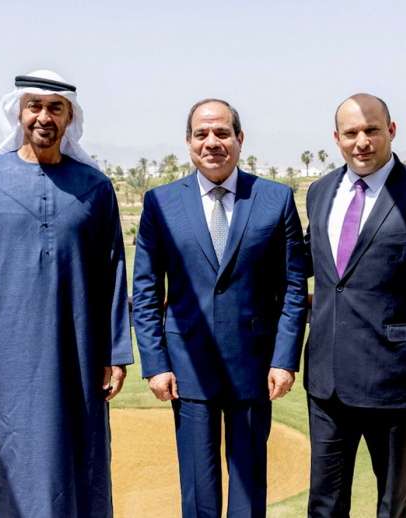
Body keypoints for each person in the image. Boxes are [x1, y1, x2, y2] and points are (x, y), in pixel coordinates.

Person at [0, 69, 133, 517]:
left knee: (77, 458)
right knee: (2, 458)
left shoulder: (96, 187)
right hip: (0, 357)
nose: (44, 117)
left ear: (69, 118)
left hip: (77, 355)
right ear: (19, 113)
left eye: (55, 108)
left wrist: (116, 352)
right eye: (35, 107)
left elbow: (113, 273)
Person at [132, 98, 308, 518]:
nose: (212, 142)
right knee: (198, 492)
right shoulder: (160, 203)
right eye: (202, 134)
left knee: (249, 489)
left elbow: (293, 288)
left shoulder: (275, 199)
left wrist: (284, 360)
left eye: (222, 133)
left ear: (239, 139)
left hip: (254, 367)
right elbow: (146, 290)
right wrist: (155, 364)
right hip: (187, 369)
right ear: (189, 142)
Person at [304, 93, 406, 517]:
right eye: (351, 133)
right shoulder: (320, 192)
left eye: (372, 130)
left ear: (391, 131)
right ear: (336, 139)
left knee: (393, 505)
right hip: (327, 380)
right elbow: (308, 261)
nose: (361, 141)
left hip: (399, 381)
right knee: (323, 505)